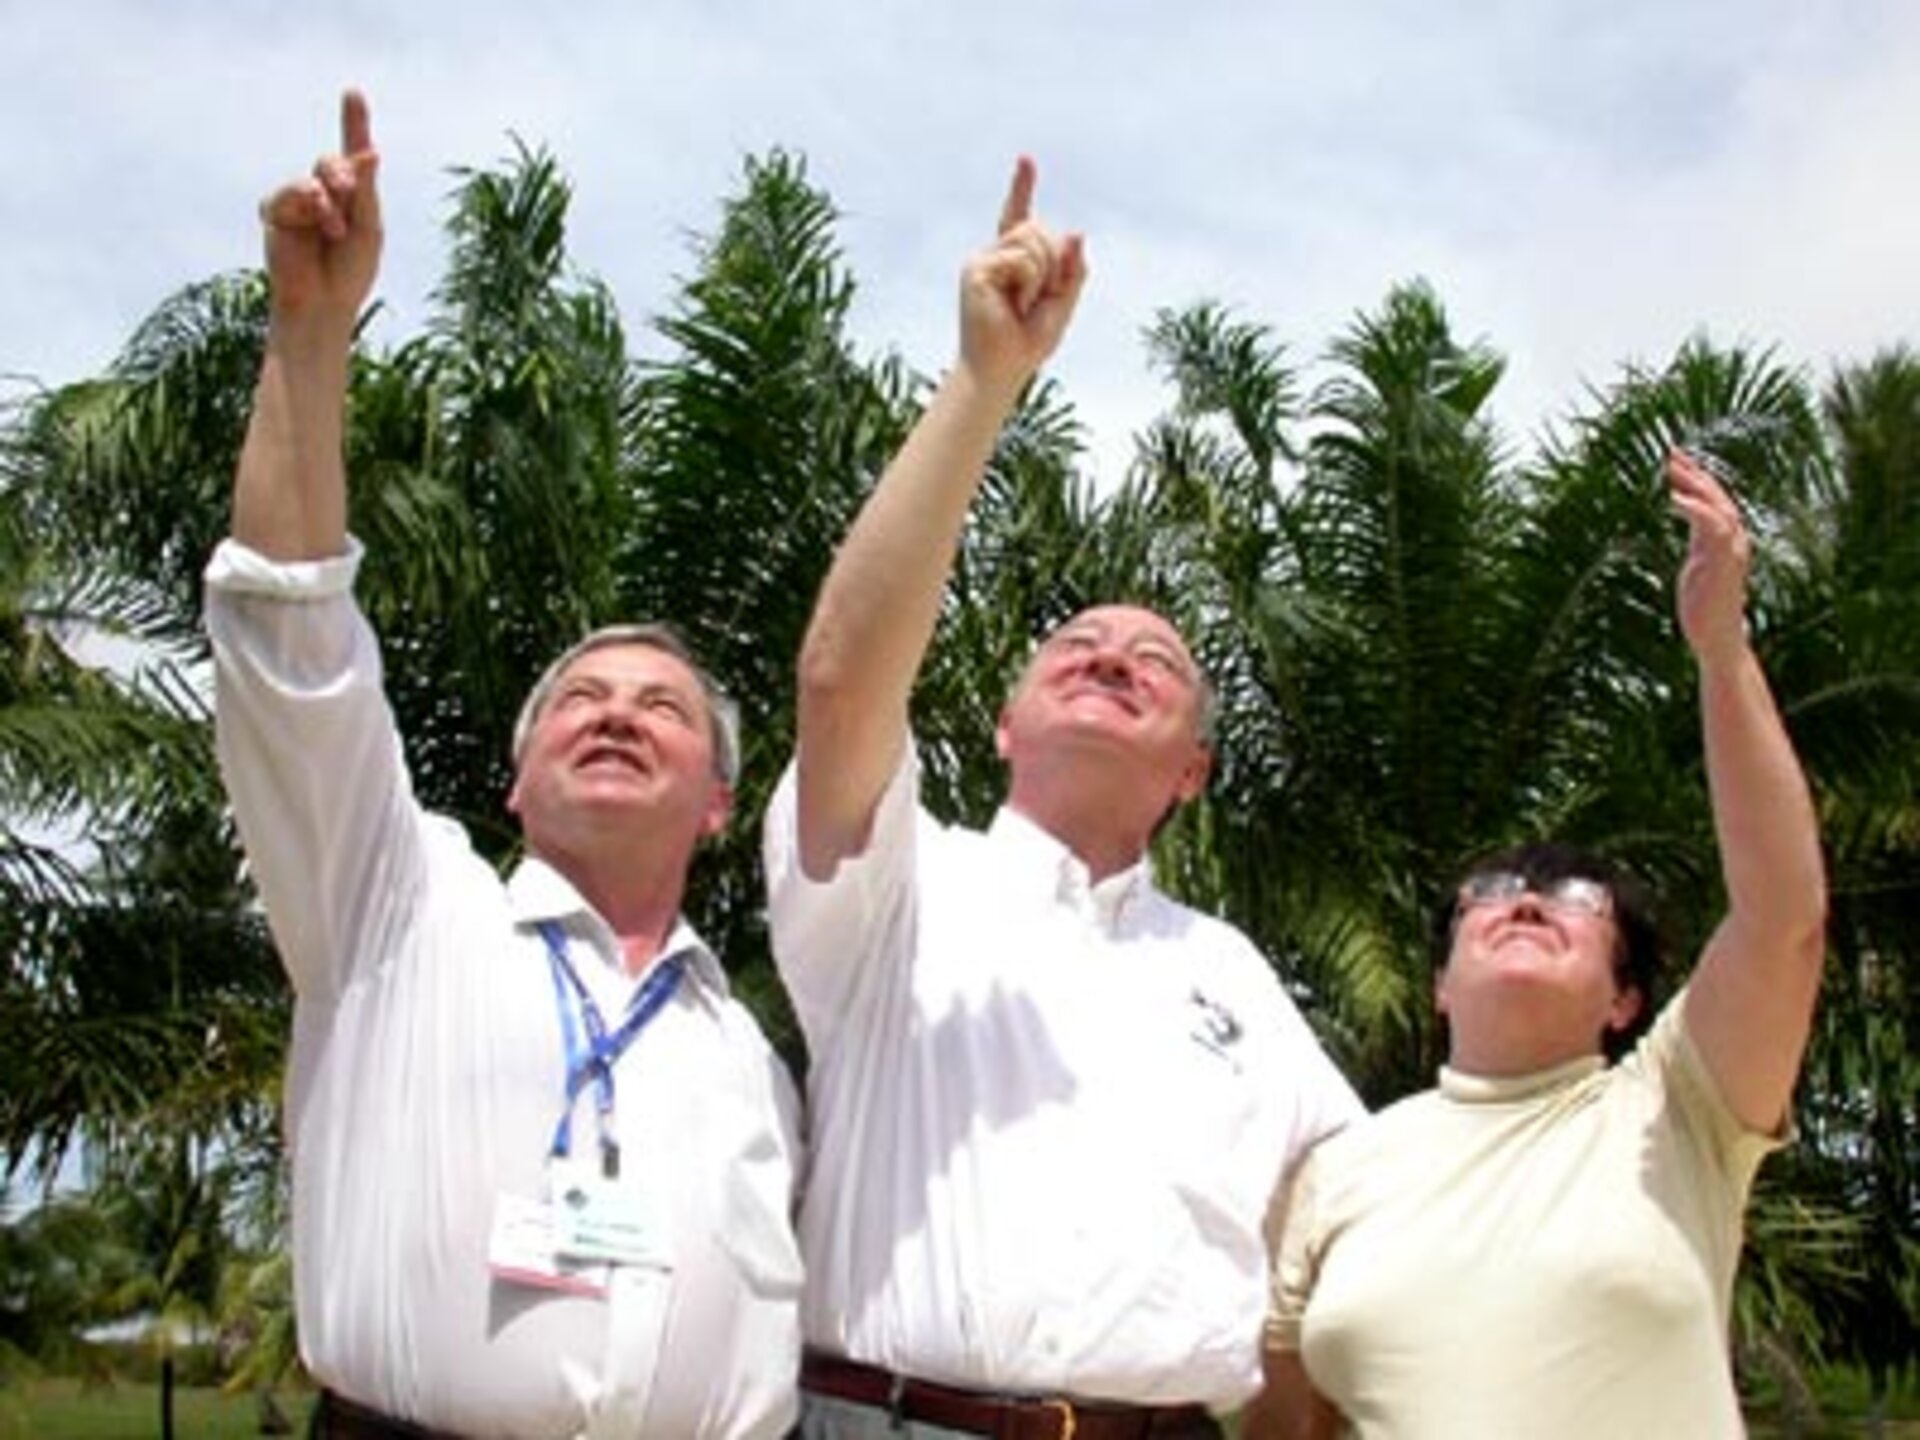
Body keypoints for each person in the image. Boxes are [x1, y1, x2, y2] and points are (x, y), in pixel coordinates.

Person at [204, 90, 802, 1439]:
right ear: (516, 784)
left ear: (716, 803)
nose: (615, 711)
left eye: (662, 705)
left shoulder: (749, 1057)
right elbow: (293, 647)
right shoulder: (399, 906)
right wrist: (310, 333)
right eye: (577, 698)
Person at [761, 157, 1363, 1438]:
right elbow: (838, 678)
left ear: (1192, 770)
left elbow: (1354, 1218)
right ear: (1004, 722)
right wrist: (985, 386)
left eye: (1158, 662)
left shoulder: (1236, 977)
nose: (1110, 655)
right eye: (1073, 645)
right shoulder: (901, 880)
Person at [1245, 449, 1829, 1439]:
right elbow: (1289, 1426)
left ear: (1623, 1000)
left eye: (1572, 894)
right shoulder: (1339, 1171)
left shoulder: (1675, 1109)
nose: (1524, 901)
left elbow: (1783, 918)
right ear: (1439, 984)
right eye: (1492, 893)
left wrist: (1721, 649)